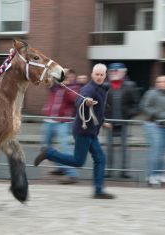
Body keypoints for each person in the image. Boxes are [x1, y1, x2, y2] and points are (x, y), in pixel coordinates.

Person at [34, 63, 115, 199]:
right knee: (78, 161)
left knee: (100, 158)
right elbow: (79, 100)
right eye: (97, 74)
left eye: (102, 75)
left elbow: (98, 111)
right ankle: (49, 153)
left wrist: (103, 122)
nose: (99, 77)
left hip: (91, 132)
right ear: (92, 75)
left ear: (105, 75)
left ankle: (99, 191)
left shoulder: (102, 88)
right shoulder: (89, 89)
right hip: (83, 131)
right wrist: (85, 102)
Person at [140, 75, 165, 185]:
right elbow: (144, 107)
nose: (161, 83)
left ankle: (159, 174)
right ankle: (151, 175)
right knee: (156, 150)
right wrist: (160, 115)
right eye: (159, 81)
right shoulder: (151, 93)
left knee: (163, 151)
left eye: (164, 81)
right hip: (153, 125)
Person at [41, 69, 79, 184]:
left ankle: (71, 174)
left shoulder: (74, 88)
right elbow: (46, 80)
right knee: (45, 148)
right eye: (65, 76)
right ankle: (62, 167)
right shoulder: (55, 86)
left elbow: (75, 99)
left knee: (64, 146)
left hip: (62, 121)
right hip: (49, 120)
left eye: (70, 77)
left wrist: (66, 87)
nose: (68, 78)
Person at [104, 63, 140, 178]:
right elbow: (98, 104)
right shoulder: (104, 86)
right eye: (112, 71)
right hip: (109, 122)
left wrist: (129, 115)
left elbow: (136, 104)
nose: (114, 73)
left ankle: (124, 171)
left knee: (124, 148)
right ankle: (108, 171)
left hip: (124, 122)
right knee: (109, 148)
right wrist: (103, 119)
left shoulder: (130, 85)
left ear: (123, 72)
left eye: (117, 71)